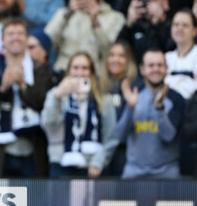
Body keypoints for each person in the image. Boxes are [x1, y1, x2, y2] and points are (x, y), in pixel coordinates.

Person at [0, 17, 54, 177]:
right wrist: (0, 88)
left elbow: (46, 105)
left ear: (27, 39)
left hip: (33, 151)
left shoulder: (41, 70)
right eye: (11, 33)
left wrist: (23, 85)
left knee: (33, 201)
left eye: (20, 33)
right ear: (2, 40)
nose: (15, 37)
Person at [41, 52, 118, 178]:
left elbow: (111, 135)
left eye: (85, 68)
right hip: (60, 163)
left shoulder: (103, 99)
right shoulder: (56, 94)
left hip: (91, 167)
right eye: (75, 68)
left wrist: (99, 161)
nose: (80, 72)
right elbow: (47, 125)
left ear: (91, 72)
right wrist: (57, 98)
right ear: (68, 71)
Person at [117, 48, 185, 179]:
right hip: (134, 170)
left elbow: (168, 137)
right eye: (151, 65)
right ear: (142, 69)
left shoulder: (176, 98)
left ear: (166, 68)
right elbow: (120, 136)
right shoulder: (131, 94)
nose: (156, 69)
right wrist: (130, 107)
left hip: (167, 171)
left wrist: (159, 108)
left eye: (160, 65)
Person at [45, 0, 125, 73]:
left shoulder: (115, 17)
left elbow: (111, 53)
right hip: (64, 72)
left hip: (95, 75)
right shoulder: (64, 14)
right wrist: (68, 13)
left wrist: (95, 22)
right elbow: (46, 44)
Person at [99, 41, 137, 176]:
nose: (116, 60)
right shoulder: (97, 86)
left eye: (121, 56)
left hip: (124, 149)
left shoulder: (135, 86)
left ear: (128, 60)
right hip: (100, 148)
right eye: (112, 55)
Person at [117, 0, 174, 65]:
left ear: (166, 3)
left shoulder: (174, 26)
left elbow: (169, 49)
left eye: (154, 0)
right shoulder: (136, 26)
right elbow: (119, 49)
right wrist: (129, 24)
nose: (148, 4)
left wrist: (158, 22)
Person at [164, 9, 197, 100]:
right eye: (176, 24)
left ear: (194, 30)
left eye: (185, 25)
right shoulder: (166, 58)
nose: (179, 29)